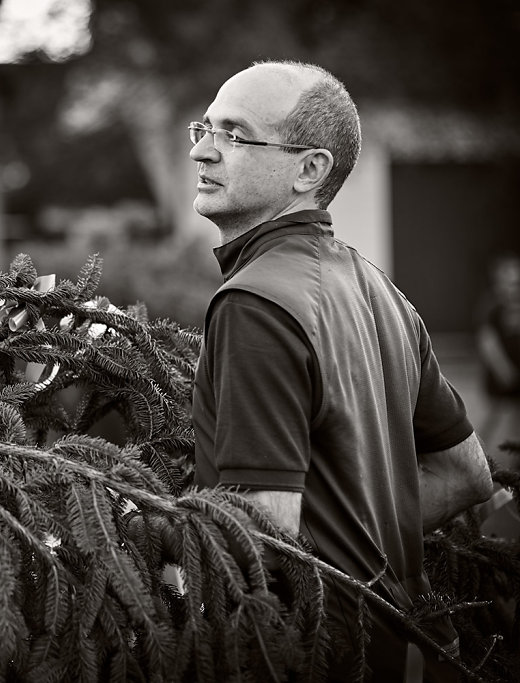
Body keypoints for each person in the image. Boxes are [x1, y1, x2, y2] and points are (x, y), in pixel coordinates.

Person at [188, 60, 494, 682]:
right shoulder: (382, 290)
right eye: (204, 128)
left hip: (301, 655)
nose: (202, 152)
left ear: (310, 170)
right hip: (388, 645)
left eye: (234, 136)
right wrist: (366, 547)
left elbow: (263, 530)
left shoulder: (256, 304)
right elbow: (466, 474)